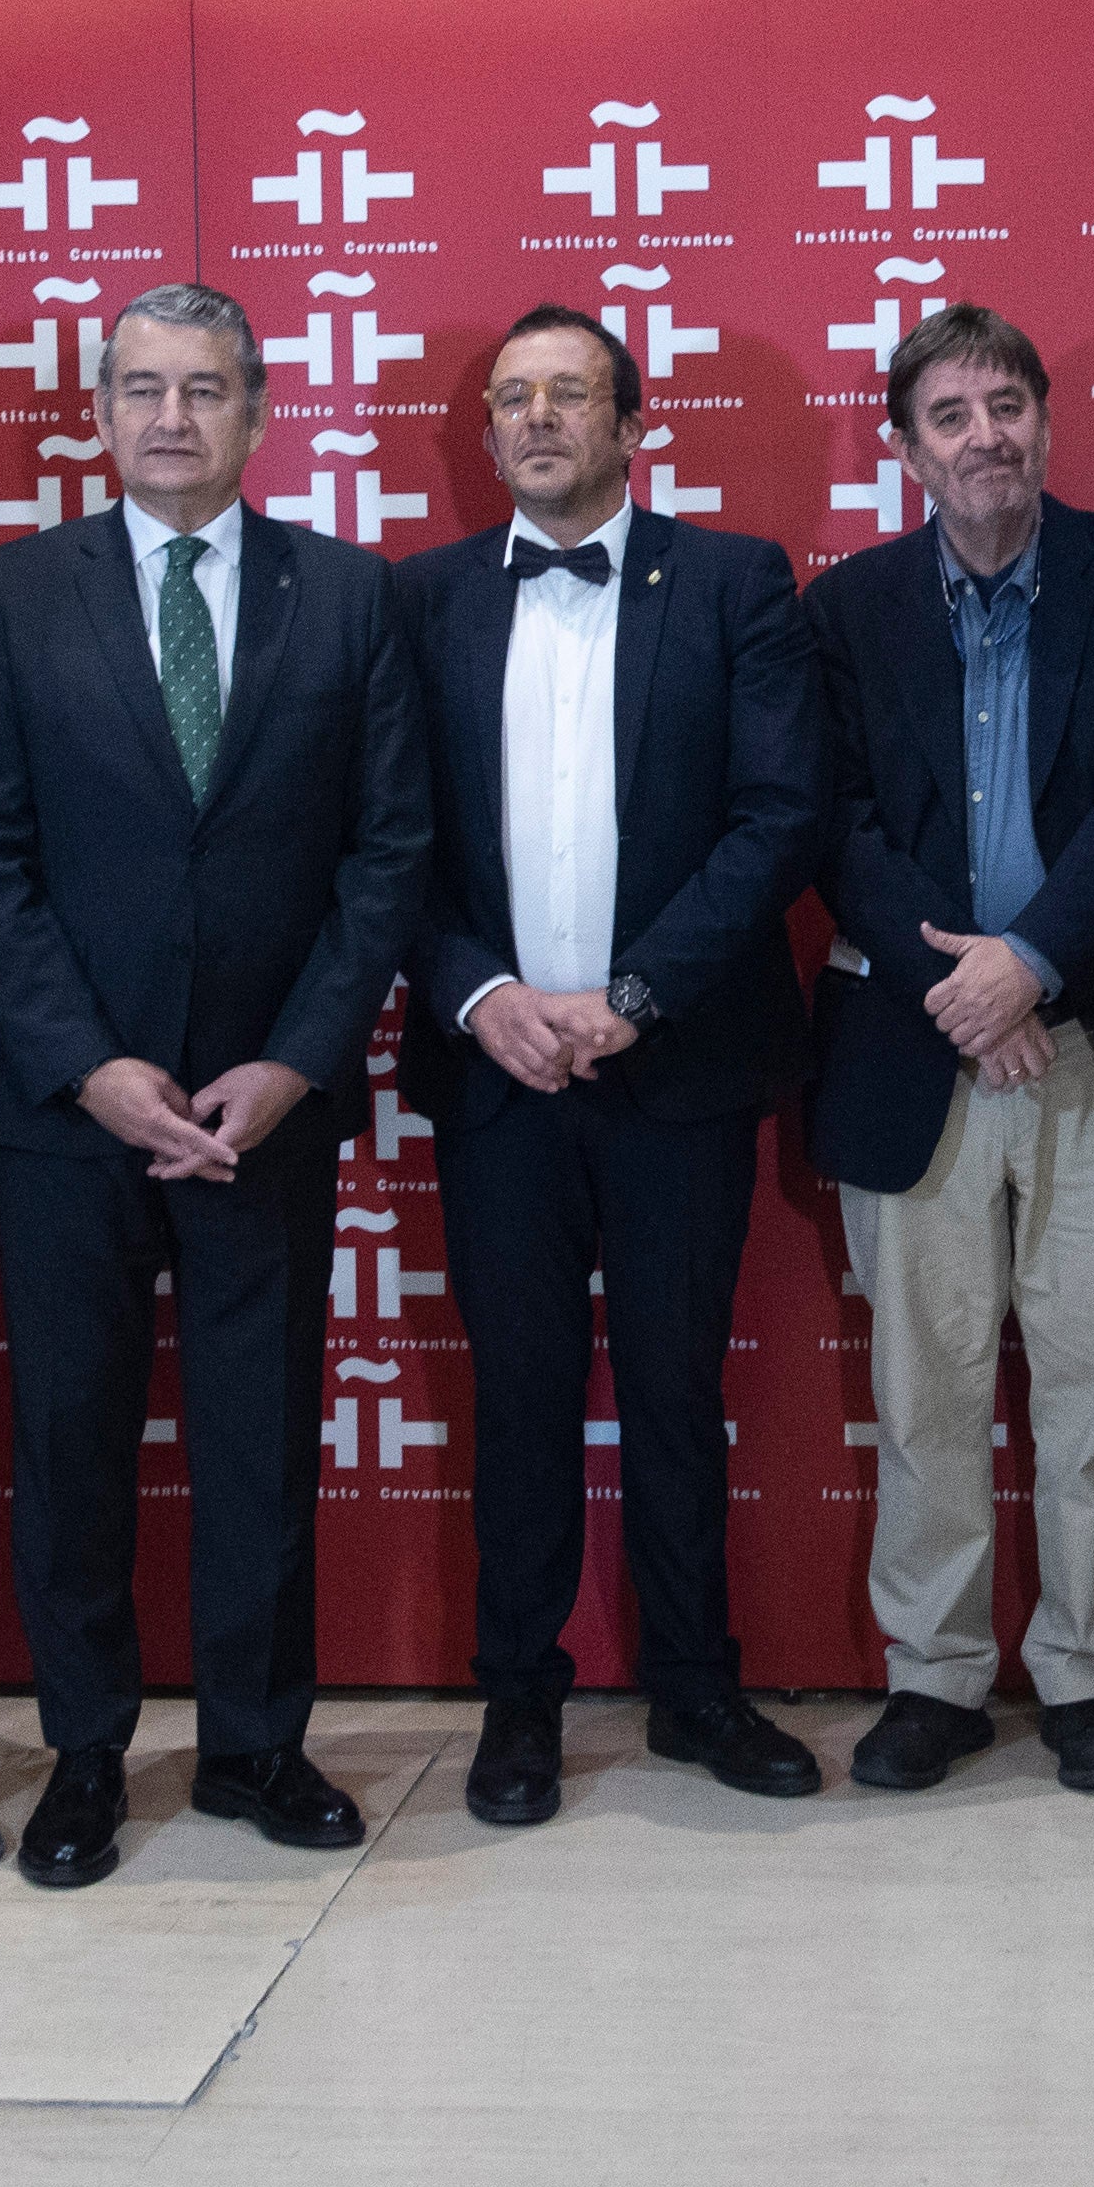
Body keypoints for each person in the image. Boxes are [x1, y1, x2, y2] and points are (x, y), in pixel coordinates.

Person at [0, 283, 430, 1886]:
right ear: (97, 410)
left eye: (203, 388)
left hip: (263, 1113)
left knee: (258, 1441)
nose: (170, 415)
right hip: (76, 1113)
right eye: (140, 387)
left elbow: (387, 854)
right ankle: (86, 1755)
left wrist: (295, 1060)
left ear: (258, 410)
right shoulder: (10, 595)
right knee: (73, 1443)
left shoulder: (348, 596)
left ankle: (255, 1746)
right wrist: (87, 1067)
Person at [395, 305, 824, 1825]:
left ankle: (697, 1689)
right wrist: (481, 994)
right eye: (512, 397)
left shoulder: (730, 581)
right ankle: (521, 1699)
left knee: (671, 1390)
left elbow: (780, 817)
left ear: (633, 426)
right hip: (499, 1071)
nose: (537, 418)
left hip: (677, 1065)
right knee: (514, 1397)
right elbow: (397, 847)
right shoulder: (424, 600)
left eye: (570, 392)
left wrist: (635, 993)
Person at [804, 303, 1094, 1800]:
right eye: (951, 414)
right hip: (919, 1048)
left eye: (1007, 405)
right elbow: (830, 821)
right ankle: (938, 1678)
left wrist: (1031, 966)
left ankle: (1090, 1677)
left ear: (1046, 417)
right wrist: (967, 988)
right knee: (924, 1390)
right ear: (907, 447)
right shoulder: (846, 611)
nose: (986, 436)